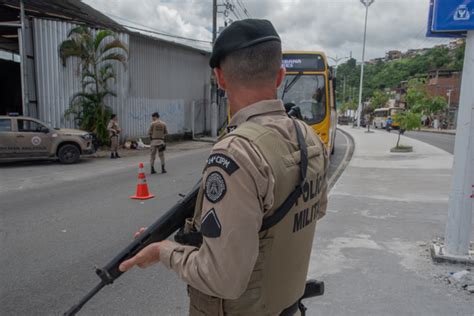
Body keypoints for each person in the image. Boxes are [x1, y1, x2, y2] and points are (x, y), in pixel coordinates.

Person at [119, 19, 328, 315]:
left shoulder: (236, 152)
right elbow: (312, 211)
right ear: (280, 76)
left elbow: (223, 280)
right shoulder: (308, 137)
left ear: (220, 78)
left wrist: (163, 251)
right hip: (286, 304)